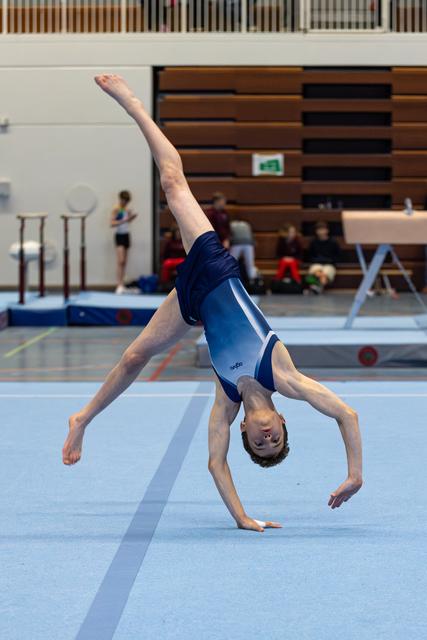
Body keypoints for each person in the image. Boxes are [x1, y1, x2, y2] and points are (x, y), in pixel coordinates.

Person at [63, 75, 363, 532]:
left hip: (193, 305)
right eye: (275, 437)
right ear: (281, 419)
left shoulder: (226, 404)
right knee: (172, 182)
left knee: (133, 356)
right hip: (218, 275)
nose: (267, 437)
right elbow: (347, 414)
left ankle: (82, 416)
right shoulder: (283, 376)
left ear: (244, 431)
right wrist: (354, 475)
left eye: (259, 445)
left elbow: (215, 464)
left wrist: (242, 518)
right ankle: (134, 106)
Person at [111, 190, 138, 294]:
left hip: (126, 235)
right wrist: (126, 220)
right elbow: (112, 223)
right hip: (119, 236)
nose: (125, 203)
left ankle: (122, 285)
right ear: (120, 199)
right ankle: (118, 285)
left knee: (124, 262)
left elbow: (127, 222)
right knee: (120, 261)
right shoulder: (116, 209)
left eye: (127, 202)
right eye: (124, 201)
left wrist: (131, 218)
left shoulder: (127, 209)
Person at [307, 221, 340, 294]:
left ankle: (318, 286)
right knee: (316, 271)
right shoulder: (313, 242)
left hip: (329, 264)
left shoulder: (333, 242)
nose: (321, 232)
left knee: (325, 274)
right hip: (316, 263)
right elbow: (310, 255)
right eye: (319, 230)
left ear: (327, 230)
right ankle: (318, 286)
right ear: (316, 231)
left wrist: (330, 261)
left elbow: (337, 256)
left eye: (323, 229)